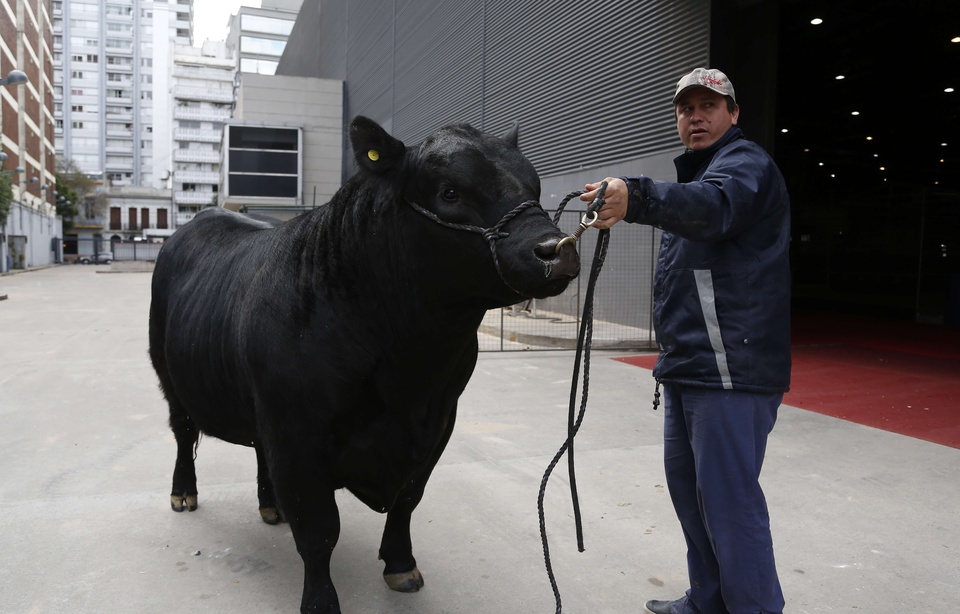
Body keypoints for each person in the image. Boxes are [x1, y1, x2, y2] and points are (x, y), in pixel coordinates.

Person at [581, 67, 791, 614]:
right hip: (688, 369)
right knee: (693, 501)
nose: (695, 116)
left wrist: (639, 198)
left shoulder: (743, 167)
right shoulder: (702, 176)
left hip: (730, 371)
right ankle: (708, 600)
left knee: (729, 506)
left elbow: (716, 207)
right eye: (686, 108)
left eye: (709, 106)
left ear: (734, 113)